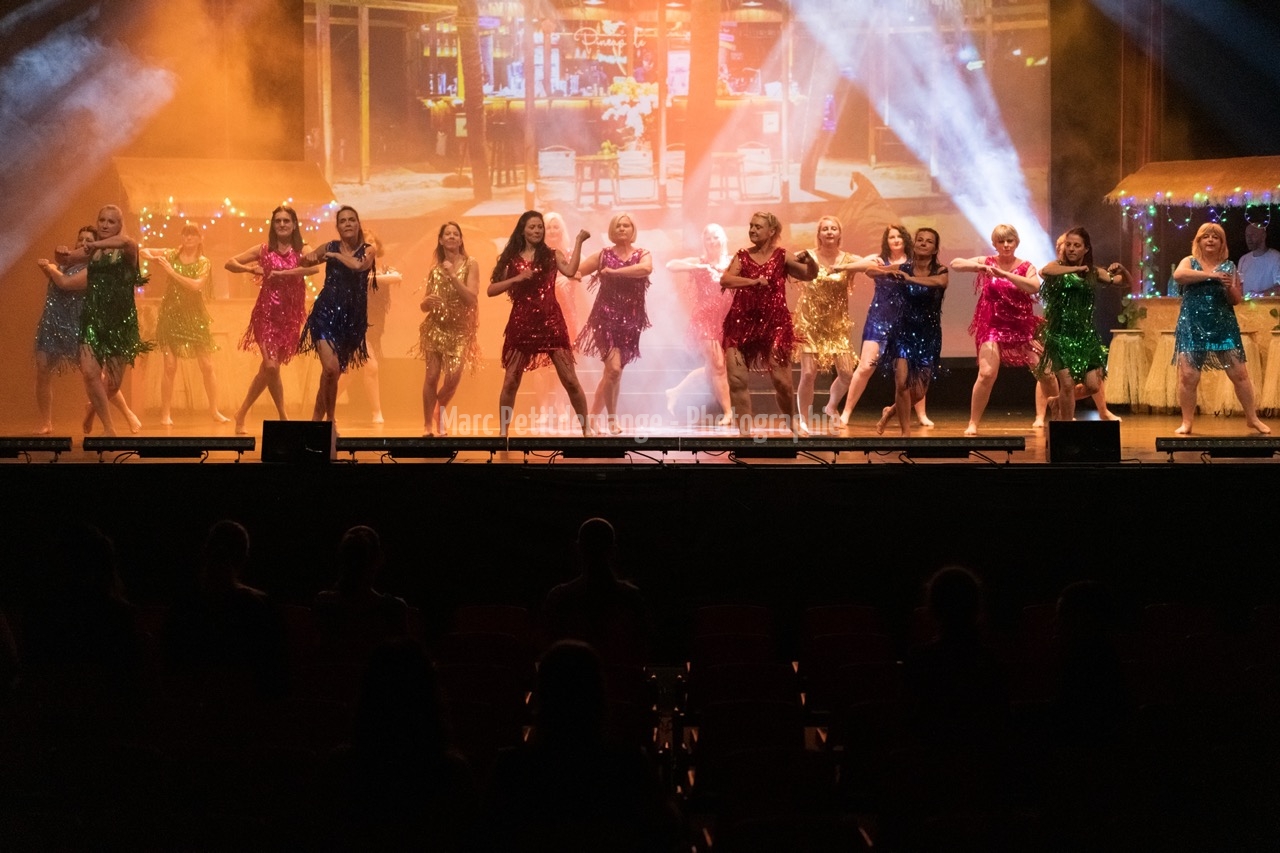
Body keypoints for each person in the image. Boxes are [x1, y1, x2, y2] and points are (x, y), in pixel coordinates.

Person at [488, 210, 593, 436]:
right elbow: (491, 289)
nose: (537, 231)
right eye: (532, 227)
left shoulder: (552, 255)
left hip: (551, 321)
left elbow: (570, 270)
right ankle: (503, 433)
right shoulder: (512, 258)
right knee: (511, 381)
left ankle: (586, 429)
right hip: (522, 322)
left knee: (570, 379)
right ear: (523, 230)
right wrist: (517, 278)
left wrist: (578, 241)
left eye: (539, 227)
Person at [55, 204, 152, 436]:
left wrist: (95, 244)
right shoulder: (92, 251)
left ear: (119, 225)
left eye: (111, 221)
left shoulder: (128, 248)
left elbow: (126, 242)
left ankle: (91, 409)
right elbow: (66, 259)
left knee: (113, 385)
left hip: (120, 322)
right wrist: (59, 252)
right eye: (102, 220)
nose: (105, 225)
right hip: (93, 318)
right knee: (90, 373)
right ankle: (109, 427)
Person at [720, 211, 818, 437]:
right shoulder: (742, 255)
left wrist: (811, 262)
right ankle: (745, 433)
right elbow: (725, 279)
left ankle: (792, 422)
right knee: (736, 380)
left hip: (775, 325)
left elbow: (809, 275)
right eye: (751, 226)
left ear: (771, 231)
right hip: (740, 323)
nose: (752, 230)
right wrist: (753, 281)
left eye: (758, 227)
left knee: (783, 382)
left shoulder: (782, 256)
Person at [225, 205, 319, 434]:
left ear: (294, 225)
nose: (282, 224)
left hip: (289, 318)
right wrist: (251, 270)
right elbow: (230, 263)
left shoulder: (302, 249)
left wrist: (285, 273)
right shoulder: (264, 249)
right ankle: (283, 416)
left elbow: (314, 269)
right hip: (266, 314)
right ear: (273, 224)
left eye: (286, 221)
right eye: (278, 221)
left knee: (269, 370)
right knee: (271, 366)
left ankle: (241, 412)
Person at [1170, 222, 1270, 435]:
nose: (1210, 240)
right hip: (1192, 325)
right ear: (1198, 241)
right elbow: (1179, 276)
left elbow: (1236, 300)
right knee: (1188, 376)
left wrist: (1229, 287)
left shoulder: (1229, 266)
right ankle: (1187, 422)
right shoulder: (1189, 261)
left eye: (1216, 237)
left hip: (1223, 324)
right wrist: (1212, 276)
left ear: (1222, 243)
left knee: (1240, 374)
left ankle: (1252, 418)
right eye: (1206, 236)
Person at [838, 224, 933, 427]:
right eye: (891, 237)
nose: (896, 240)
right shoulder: (878, 259)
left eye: (899, 236)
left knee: (913, 370)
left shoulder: (914, 261)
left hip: (907, 321)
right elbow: (863, 268)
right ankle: (846, 412)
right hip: (879, 319)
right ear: (886, 241)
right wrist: (845, 267)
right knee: (865, 367)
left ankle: (921, 415)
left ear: (905, 239)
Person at [952, 224, 1043, 436]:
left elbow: (1034, 286)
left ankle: (1050, 416)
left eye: (1010, 241)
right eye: (1001, 241)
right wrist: (980, 267)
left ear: (1017, 242)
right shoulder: (988, 261)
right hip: (992, 325)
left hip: (1020, 325)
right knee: (986, 373)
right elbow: (955, 264)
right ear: (994, 244)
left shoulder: (1026, 266)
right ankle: (973, 422)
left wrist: (1005, 275)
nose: (1006, 245)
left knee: (1044, 373)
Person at [1037, 227, 1131, 422]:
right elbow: (1045, 271)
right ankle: (1066, 429)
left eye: (1077, 245)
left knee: (1093, 386)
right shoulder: (1058, 267)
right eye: (1068, 245)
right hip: (1060, 335)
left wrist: (1123, 269)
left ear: (1086, 249)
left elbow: (1124, 282)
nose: (1071, 249)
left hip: (1085, 336)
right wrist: (1075, 269)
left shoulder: (1093, 272)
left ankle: (1057, 401)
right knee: (1067, 384)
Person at [140, 222, 229, 425]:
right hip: (171, 314)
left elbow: (196, 285)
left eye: (192, 235)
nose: (188, 238)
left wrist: (170, 271)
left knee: (206, 365)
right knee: (170, 366)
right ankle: (165, 414)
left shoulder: (203, 262)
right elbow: (143, 251)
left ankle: (214, 410)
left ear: (199, 239)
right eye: (185, 234)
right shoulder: (172, 254)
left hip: (194, 315)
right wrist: (155, 259)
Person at [575, 213, 653, 435]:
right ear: (612, 230)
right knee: (614, 369)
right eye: (618, 225)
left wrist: (615, 272)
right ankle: (611, 419)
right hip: (605, 317)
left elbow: (645, 269)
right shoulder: (603, 255)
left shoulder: (642, 254)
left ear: (632, 229)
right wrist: (569, 277)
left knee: (613, 373)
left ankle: (592, 418)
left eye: (626, 225)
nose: (622, 228)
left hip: (631, 320)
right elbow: (577, 271)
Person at [299, 205, 376, 424]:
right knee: (331, 368)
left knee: (332, 373)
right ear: (338, 227)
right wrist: (308, 257)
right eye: (343, 221)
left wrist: (334, 255)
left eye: (352, 220)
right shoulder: (329, 246)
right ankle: (330, 420)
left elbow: (358, 266)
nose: (348, 223)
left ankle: (317, 419)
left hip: (351, 321)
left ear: (358, 224)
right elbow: (306, 262)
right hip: (325, 314)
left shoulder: (368, 250)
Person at [541, 517, 650, 668]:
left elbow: (549, 651)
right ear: (613, 551)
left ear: (578, 548)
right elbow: (641, 652)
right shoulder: (631, 598)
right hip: (619, 682)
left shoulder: (559, 597)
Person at [872, 227, 949, 436]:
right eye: (920, 240)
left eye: (929, 241)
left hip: (928, 335)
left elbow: (939, 283)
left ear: (935, 249)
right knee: (901, 383)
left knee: (919, 392)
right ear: (914, 245)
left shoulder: (940, 271)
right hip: (903, 331)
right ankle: (905, 433)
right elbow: (871, 272)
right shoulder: (903, 267)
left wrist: (909, 279)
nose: (923, 243)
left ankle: (890, 412)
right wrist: (885, 271)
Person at [793, 215, 860, 430]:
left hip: (836, 326)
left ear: (839, 234)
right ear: (819, 234)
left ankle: (831, 407)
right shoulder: (808, 256)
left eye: (833, 228)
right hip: (810, 324)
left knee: (847, 374)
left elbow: (872, 262)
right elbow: (785, 264)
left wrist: (846, 268)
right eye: (825, 229)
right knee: (808, 374)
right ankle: (804, 419)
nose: (829, 232)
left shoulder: (848, 259)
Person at [664, 223, 734, 425]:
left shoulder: (732, 262)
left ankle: (675, 391)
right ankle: (728, 412)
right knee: (718, 365)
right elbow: (671, 265)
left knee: (714, 366)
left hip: (727, 318)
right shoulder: (699, 261)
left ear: (723, 239)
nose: (712, 241)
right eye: (708, 238)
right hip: (705, 318)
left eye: (716, 237)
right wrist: (697, 267)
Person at [415, 221, 480, 436]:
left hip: (460, 330)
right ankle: (427, 425)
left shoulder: (471, 264)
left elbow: (471, 298)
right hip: (435, 327)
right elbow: (424, 305)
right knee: (432, 376)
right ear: (441, 240)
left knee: (453, 378)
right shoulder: (435, 270)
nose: (452, 237)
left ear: (461, 240)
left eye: (455, 234)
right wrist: (426, 303)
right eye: (447, 234)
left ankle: (438, 409)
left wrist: (452, 275)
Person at [33, 225, 93, 434]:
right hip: (51, 323)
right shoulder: (65, 263)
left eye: (88, 240)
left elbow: (65, 283)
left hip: (76, 325)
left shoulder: (93, 268)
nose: (83, 243)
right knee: (42, 370)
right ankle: (46, 422)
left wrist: (51, 268)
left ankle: (125, 413)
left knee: (92, 374)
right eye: (81, 239)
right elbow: (54, 279)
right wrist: (47, 267)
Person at [528, 211, 583, 428]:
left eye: (556, 226)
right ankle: (543, 408)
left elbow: (582, 272)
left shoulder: (570, 253)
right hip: (540, 315)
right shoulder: (534, 254)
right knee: (540, 366)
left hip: (566, 314)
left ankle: (560, 406)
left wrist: (570, 278)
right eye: (548, 227)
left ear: (562, 230)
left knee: (564, 365)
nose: (552, 231)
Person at [358, 230, 402, 424]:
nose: (369, 245)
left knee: (348, 374)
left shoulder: (384, 268)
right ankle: (377, 413)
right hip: (355, 324)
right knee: (372, 367)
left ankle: (326, 403)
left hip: (374, 327)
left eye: (372, 242)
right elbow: (365, 279)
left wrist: (384, 275)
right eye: (364, 243)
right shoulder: (353, 269)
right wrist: (379, 276)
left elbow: (397, 277)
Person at [1239, 222, 1280, 296]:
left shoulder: (1276, 257)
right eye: (1247, 235)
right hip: (1246, 303)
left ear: (1263, 236)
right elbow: (1240, 286)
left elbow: (1279, 288)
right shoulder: (1243, 259)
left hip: (1268, 303)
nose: (1249, 239)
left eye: (1253, 235)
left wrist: (1259, 295)